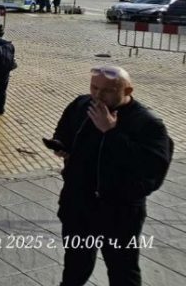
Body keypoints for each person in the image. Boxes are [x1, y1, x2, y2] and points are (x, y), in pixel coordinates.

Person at [51, 66, 173, 286]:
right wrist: (61, 145)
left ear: (127, 91)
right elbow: (64, 130)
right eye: (94, 87)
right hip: (79, 208)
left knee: (122, 271)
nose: (97, 95)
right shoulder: (81, 105)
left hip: (119, 215)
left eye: (107, 91)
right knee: (75, 267)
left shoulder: (148, 124)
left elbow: (152, 170)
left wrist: (112, 132)